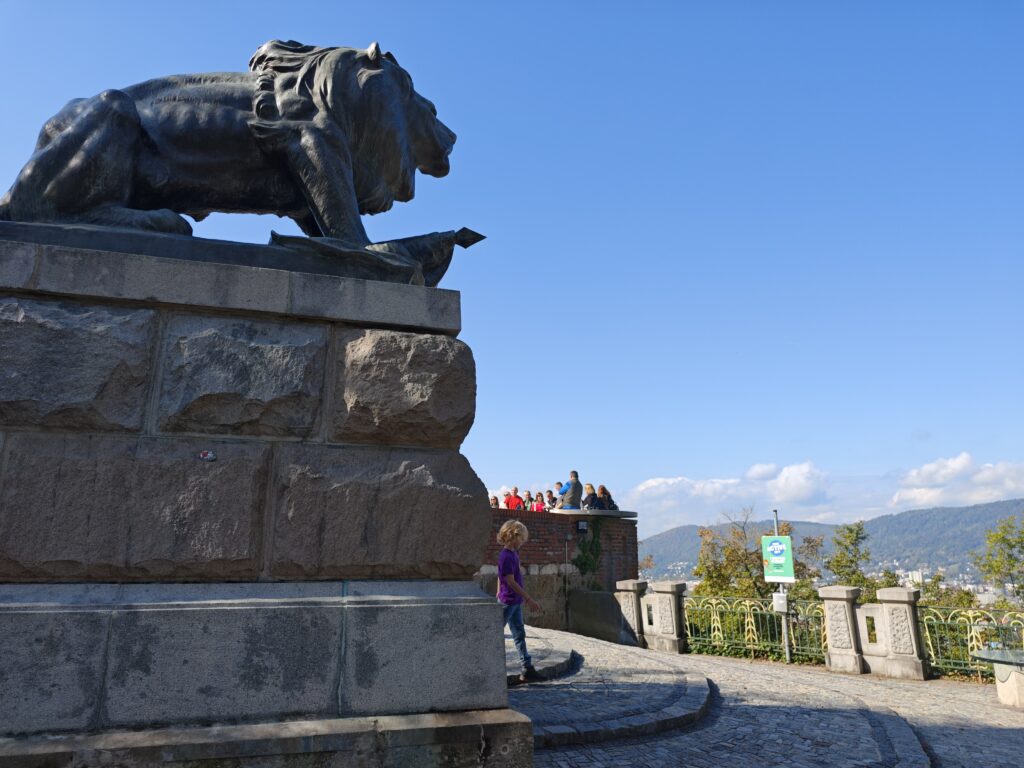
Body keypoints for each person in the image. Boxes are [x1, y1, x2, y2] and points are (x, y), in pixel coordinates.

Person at [496, 520, 543, 684]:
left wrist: (498, 591)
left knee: (519, 634)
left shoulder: (513, 554)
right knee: (495, 635)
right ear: (513, 536)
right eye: (522, 538)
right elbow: (509, 581)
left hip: (514, 601)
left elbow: (500, 577)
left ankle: (527, 667)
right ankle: (493, 669)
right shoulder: (506, 556)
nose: (523, 542)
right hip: (508, 601)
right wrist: (528, 598)